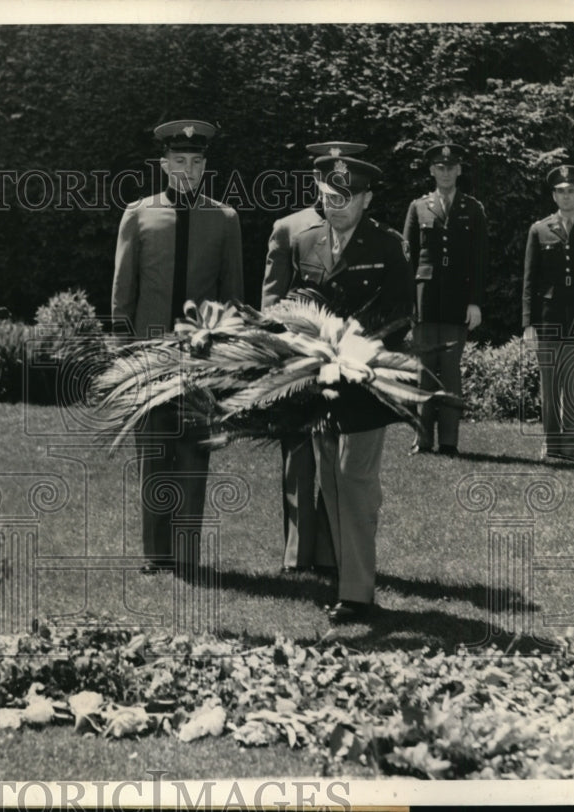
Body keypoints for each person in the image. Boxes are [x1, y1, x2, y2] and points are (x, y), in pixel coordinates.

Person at [112, 119, 244, 576]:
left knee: (194, 450)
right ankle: (156, 553)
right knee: (153, 451)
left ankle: (186, 555)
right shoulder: (139, 214)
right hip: (148, 356)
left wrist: (230, 356)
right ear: (165, 165)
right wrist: (122, 351)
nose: (186, 169)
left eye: (195, 162)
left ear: (204, 167)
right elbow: (122, 291)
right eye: (178, 161)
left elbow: (233, 297)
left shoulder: (225, 220)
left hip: (201, 356)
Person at [290, 155, 413, 622]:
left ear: (366, 199)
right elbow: (296, 306)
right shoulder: (306, 243)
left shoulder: (388, 245)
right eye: (327, 198)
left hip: (365, 384)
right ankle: (346, 580)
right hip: (320, 385)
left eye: (344, 199)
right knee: (331, 482)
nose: (335, 207)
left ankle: (358, 594)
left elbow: (400, 312)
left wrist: (356, 350)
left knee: (355, 481)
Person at [261, 141, 367, 577]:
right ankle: (298, 551)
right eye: (327, 178)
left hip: (349, 357)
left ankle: (331, 549)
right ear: (315, 180)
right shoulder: (289, 228)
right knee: (299, 453)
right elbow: (272, 298)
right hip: (300, 358)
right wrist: (275, 348)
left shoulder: (364, 230)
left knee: (342, 454)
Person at [403, 143, 488, 456]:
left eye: (451, 167)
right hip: (424, 301)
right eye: (440, 167)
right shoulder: (418, 207)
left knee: (450, 371)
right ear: (431, 171)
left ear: (459, 171)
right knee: (424, 370)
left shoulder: (473, 209)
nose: (446, 172)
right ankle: (422, 439)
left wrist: (475, 302)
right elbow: (407, 257)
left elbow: (480, 261)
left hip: (457, 302)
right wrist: (407, 303)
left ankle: (449, 440)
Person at [522, 164, 574, 466]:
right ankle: (552, 445)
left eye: (571, 190)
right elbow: (530, 281)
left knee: (573, 385)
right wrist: (528, 324)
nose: (566, 196)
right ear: (553, 196)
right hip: (548, 318)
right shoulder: (539, 229)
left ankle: (570, 450)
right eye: (560, 192)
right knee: (549, 387)